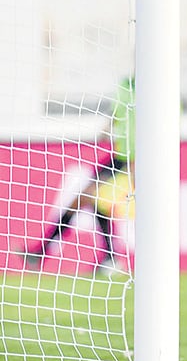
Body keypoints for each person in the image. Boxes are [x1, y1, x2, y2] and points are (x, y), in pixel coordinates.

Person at [20, 76, 135, 276]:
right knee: (89, 201)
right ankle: (109, 258)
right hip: (119, 158)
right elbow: (117, 115)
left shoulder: (162, 89)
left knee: (87, 198)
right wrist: (107, 129)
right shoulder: (126, 85)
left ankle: (44, 251)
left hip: (136, 162)